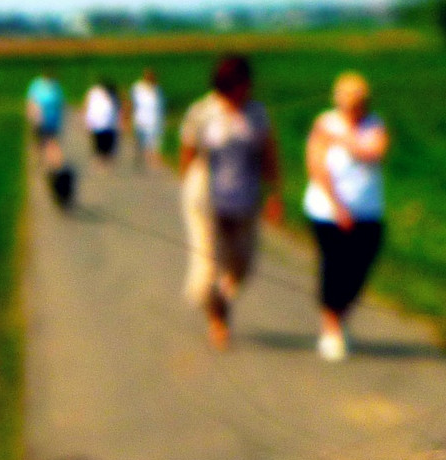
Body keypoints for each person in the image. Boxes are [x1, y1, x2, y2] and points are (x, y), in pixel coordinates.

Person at [177, 53, 283, 350]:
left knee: (243, 264)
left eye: (246, 86)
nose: (243, 92)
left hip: (245, 199)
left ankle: (221, 297)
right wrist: (187, 185)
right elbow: (188, 152)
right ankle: (217, 320)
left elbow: (269, 154)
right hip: (206, 201)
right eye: (237, 86)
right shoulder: (202, 112)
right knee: (207, 266)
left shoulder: (257, 114)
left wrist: (274, 194)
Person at [301, 71, 389, 362]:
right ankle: (331, 328)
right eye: (349, 99)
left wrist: (341, 138)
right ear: (338, 99)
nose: (354, 106)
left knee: (360, 269)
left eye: (359, 100)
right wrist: (337, 205)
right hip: (327, 211)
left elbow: (374, 152)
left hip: (368, 211)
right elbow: (316, 165)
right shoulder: (324, 123)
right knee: (335, 267)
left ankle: (340, 316)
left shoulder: (374, 124)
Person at [27, 69, 73, 207]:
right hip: (41, 121)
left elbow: (62, 104)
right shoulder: (36, 86)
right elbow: (31, 103)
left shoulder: (56, 88)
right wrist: (33, 117)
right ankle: (48, 165)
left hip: (53, 122)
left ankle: (52, 167)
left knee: (50, 144)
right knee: (45, 145)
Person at [129, 68, 165, 167]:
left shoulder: (158, 90)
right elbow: (132, 103)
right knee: (141, 140)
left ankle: (153, 158)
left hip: (154, 119)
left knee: (154, 140)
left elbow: (161, 105)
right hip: (140, 119)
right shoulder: (137, 88)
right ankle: (140, 158)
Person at [84, 78, 121, 164]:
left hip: (108, 123)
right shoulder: (94, 93)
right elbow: (87, 104)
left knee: (108, 142)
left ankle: (106, 159)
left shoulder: (112, 95)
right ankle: (100, 159)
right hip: (97, 122)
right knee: (98, 141)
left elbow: (117, 108)